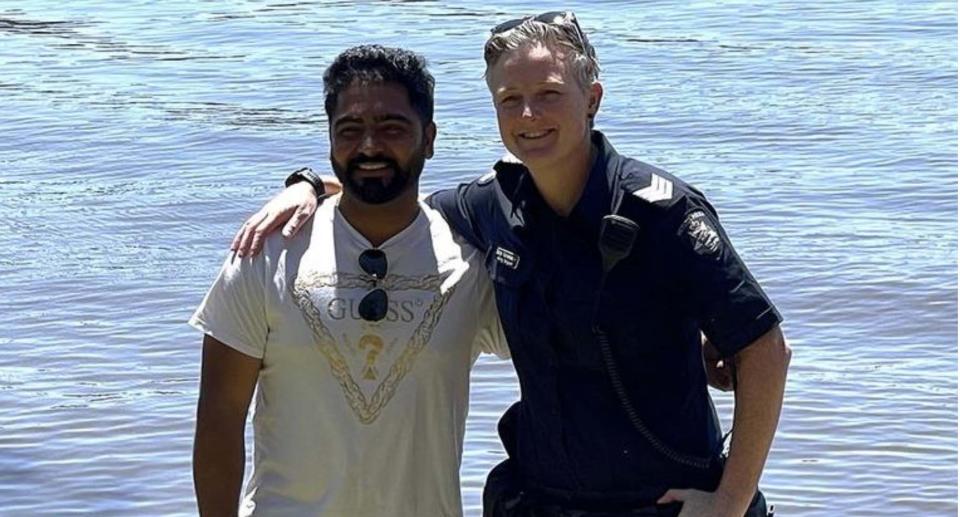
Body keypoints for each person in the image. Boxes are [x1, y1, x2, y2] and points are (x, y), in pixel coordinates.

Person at [234, 11, 791, 517]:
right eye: (509, 99)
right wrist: (308, 184)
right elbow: (393, 199)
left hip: (660, 498)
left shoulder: (661, 211)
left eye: (549, 94)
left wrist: (730, 502)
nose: (529, 115)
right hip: (542, 498)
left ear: (592, 97)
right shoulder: (490, 203)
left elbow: (765, 348)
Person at [190, 45, 508, 517]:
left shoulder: (470, 265)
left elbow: (567, 370)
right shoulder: (267, 252)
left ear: (430, 138)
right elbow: (220, 418)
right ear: (330, 139)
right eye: (350, 130)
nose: (370, 147)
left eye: (392, 128)